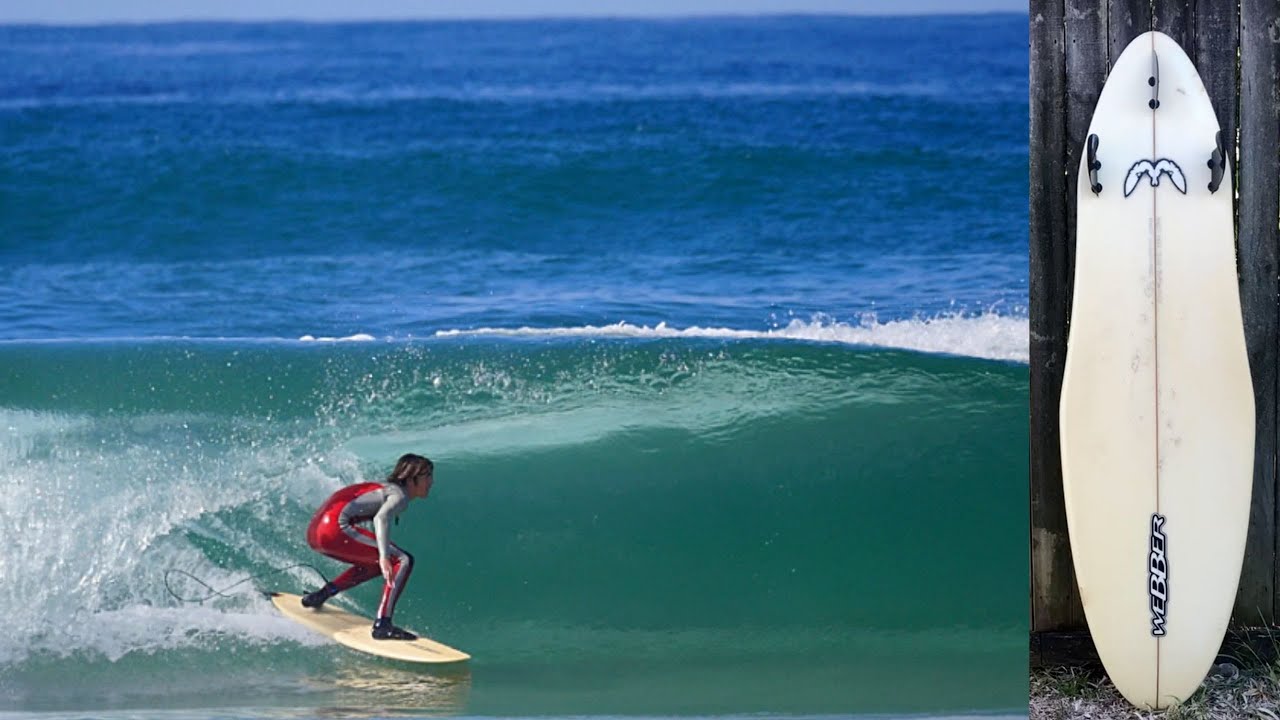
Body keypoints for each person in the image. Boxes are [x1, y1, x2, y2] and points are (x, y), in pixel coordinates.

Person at [299, 453, 434, 640]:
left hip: (316, 531)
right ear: (412, 479)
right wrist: (384, 556)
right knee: (402, 560)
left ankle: (321, 595)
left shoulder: (383, 489)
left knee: (375, 564)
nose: (431, 482)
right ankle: (383, 624)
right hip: (334, 529)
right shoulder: (399, 495)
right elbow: (381, 518)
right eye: (427, 476)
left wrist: (381, 556)